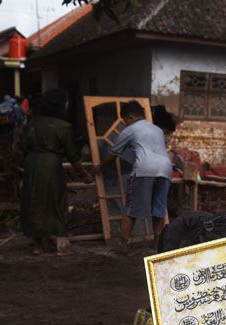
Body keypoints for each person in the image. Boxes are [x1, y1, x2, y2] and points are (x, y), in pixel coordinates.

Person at [20, 88, 93, 256]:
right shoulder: (64, 127)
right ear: (60, 105)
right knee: (56, 201)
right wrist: (85, 174)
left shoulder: (33, 123)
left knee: (33, 201)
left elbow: (23, 146)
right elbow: (73, 157)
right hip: (51, 165)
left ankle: (37, 245)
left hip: (31, 164)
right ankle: (61, 243)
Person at [99, 101, 172, 247]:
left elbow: (113, 154)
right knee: (159, 209)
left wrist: (98, 167)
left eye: (125, 120)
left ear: (131, 116)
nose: (125, 123)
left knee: (131, 209)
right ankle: (157, 243)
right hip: (165, 169)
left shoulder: (130, 130)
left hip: (145, 170)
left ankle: (122, 244)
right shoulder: (157, 129)